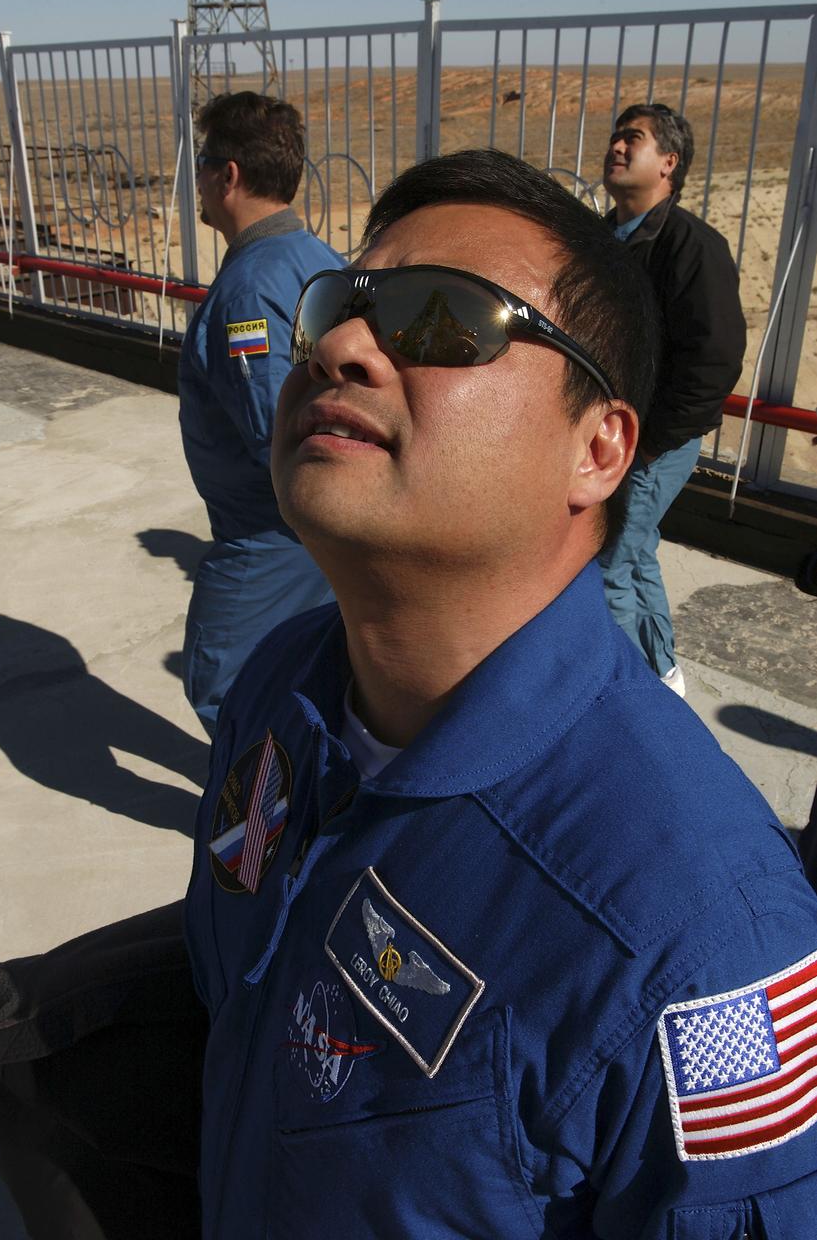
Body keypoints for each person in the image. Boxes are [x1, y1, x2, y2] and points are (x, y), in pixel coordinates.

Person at [185, 148, 817, 1238]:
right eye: (337, 305)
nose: (338, 345)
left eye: (441, 320)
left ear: (598, 448)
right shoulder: (283, 682)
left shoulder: (698, 936)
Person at [179, 91, 344, 733]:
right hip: (313, 529)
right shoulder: (319, 258)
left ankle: (267, 827)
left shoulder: (248, 288)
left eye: (201, 163)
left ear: (229, 175)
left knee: (224, 685)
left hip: (271, 536)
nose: (196, 178)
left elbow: (275, 428)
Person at [599, 103, 747, 698]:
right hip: (611, 437)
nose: (616, 145)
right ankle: (662, 676)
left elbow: (712, 362)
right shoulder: (599, 239)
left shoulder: (693, 247)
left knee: (606, 568)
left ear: (668, 163)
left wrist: (650, 445)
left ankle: (627, 703)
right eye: (615, 136)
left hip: (650, 443)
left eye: (632, 138)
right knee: (634, 558)